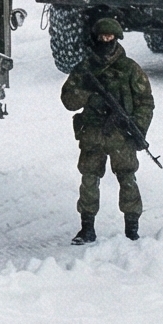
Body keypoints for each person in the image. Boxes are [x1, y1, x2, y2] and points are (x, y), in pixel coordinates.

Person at [60, 16, 152, 243]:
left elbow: (145, 102)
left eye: (110, 37)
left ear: (117, 38)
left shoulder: (130, 69)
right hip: (92, 133)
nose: (106, 40)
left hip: (121, 135)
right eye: (102, 37)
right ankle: (87, 228)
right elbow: (68, 100)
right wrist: (87, 92)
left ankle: (132, 228)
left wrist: (137, 127)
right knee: (89, 179)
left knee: (127, 179)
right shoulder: (84, 69)